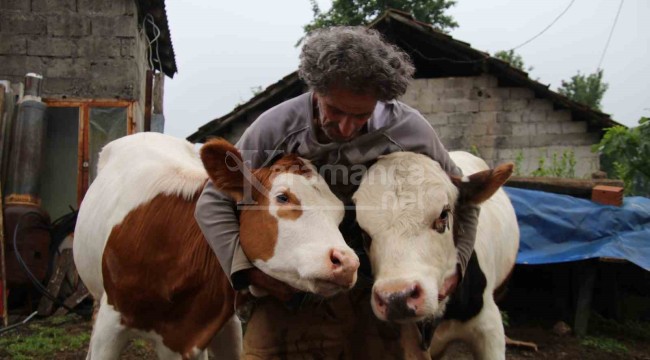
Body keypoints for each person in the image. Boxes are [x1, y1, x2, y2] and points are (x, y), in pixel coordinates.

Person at [195, 26, 479, 358]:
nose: (346, 128)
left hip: (377, 277)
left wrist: (458, 265)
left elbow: (466, 197)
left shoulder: (409, 128)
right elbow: (213, 200)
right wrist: (248, 271)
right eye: (335, 111)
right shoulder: (276, 127)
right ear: (315, 90)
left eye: (361, 115)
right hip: (293, 283)